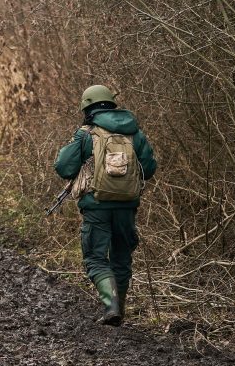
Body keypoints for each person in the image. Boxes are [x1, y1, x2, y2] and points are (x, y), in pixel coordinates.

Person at [53, 85, 157, 326]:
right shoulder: (135, 133)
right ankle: (119, 310)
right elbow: (149, 169)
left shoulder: (85, 134)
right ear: (111, 103)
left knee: (96, 258)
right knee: (121, 258)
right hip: (127, 207)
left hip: (96, 206)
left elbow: (63, 167)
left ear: (87, 108)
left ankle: (111, 308)